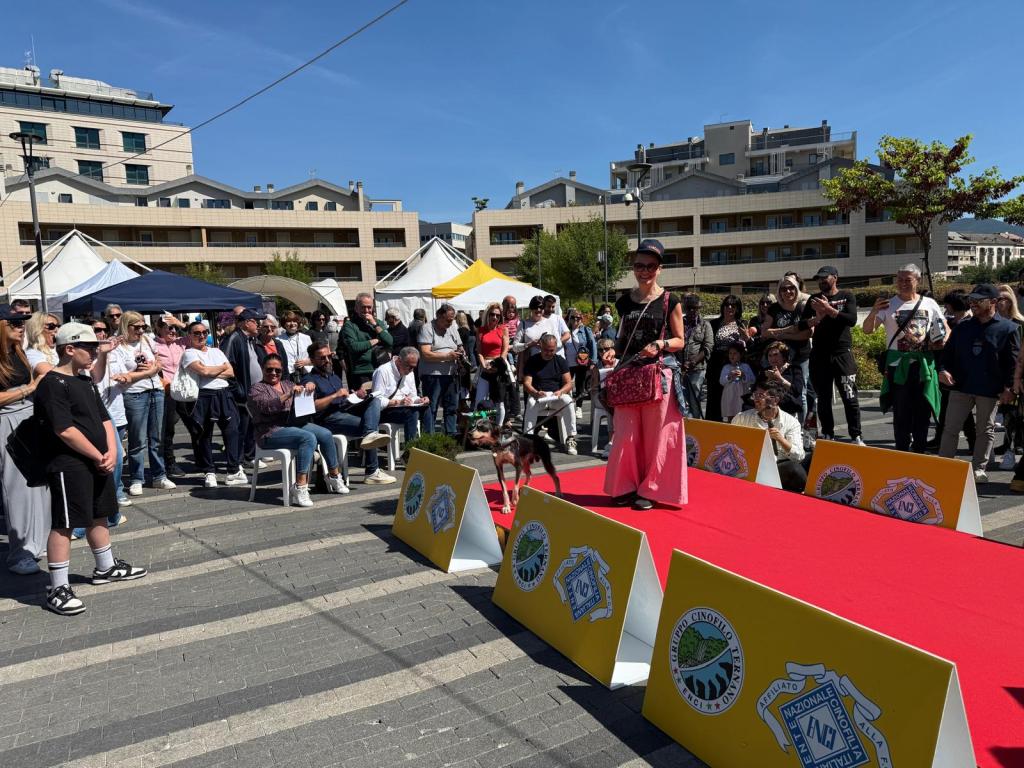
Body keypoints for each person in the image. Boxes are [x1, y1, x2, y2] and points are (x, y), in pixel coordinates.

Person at [35, 322, 147, 615]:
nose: (95, 352)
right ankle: (57, 586)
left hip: (97, 459)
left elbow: (105, 418)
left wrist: (110, 450)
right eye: (89, 347)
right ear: (69, 349)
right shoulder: (52, 383)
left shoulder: (84, 380)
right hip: (68, 463)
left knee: (99, 512)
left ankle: (105, 567)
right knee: (65, 522)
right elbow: (64, 430)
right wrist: (99, 455)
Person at [606, 239, 687, 511]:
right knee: (625, 434)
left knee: (658, 437)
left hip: (658, 375)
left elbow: (680, 340)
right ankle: (625, 486)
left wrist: (660, 345)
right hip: (629, 376)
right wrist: (611, 353)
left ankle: (651, 490)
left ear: (659, 269)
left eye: (651, 266)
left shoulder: (670, 300)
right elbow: (622, 340)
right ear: (633, 268)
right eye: (639, 265)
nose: (644, 271)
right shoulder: (623, 303)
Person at [936, 284, 1019, 484]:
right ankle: (943, 465)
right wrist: (942, 370)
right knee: (950, 428)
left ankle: (978, 469)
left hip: (989, 389)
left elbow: (1013, 362)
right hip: (961, 386)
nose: (972, 304)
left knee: (985, 429)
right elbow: (946, 355)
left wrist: (1009, 388)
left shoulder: (1009, 328)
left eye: (978, 300)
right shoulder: (962, 327)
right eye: (971, 300)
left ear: (993, 302)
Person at [864, 263, 948, 452]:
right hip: (898, 365)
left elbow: (945, 329)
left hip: (923, 365)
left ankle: (919, 451)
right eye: (899, 280)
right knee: (901, 413)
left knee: (922, 412)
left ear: (917, 281)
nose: (902, 283)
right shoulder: (888, 304)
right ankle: (902, 451)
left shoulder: (929, 303)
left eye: (907, 280)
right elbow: (868, 330)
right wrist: (874, 311)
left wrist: (941, 341)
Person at [249, 354, 347, 506]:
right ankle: (300, 486)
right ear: (262, 369)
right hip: (270, 432)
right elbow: (267, 406)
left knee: (326, 434)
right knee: (307, 438)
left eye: (277, 370)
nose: (273, 373)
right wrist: (288, 394)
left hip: (293, 424)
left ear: (282, 371)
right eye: (269, 370)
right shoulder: (257, 389)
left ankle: (334, 476)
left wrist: (309, 389)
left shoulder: (288, 383)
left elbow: (303, 405)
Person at [0, 307, 50, 575]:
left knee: (39, 484)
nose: (21, 326)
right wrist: (28, 390)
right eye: (15, 322)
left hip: (27, 416)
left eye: (22, 322)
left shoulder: (17, 351)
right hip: (5, 421)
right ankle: (19, 552)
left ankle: (38, 543)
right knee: (16, 488)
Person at [303, 342, 395, 484]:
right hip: (327, 419)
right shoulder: (309, 380)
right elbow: (312, 407)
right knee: (369, 427)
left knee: (374, 400)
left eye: (329, 356)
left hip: (344, 409)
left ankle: (370, 437)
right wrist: (334, 395)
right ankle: (372, 471)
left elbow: (343, 399)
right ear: (312, 360)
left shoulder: (333, 376)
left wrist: (356, 395)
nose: (327, 361)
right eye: (322, 358)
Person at [71, 318, 130, 537]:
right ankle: (79, 525)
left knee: (115, 461)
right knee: (90, 467)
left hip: (103, 413)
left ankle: (110, 512)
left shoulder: (93, 354)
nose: (101, 334)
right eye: (96, 330)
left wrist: (103, 353)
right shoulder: (75, 353)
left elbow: (96, 377)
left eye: (104, 330)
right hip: (81, 418)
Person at [800, 266, 864, 446]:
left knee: (849, 396)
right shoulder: (813, 300)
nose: (821, 281)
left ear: (835, 278)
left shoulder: (846, 296)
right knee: (824, 398)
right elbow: (802, 324)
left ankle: (856, 436)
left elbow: (851, 320)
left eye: (824, 277)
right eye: (818, 279)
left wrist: (829, 309)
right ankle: (828, 434)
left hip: (842, 354)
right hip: (820, 356)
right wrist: (816, 318)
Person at [112, 311, 174, 496]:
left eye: (142, 326)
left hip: (156, 391)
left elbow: (158, 363)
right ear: (125, 326)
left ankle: (159, 475)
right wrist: (148, 372)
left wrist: (153, 368)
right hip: (134, 394)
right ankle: (137, 478)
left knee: (157, 438)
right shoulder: (118, 347)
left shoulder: (147, 340)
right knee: (137, 439)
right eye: (136, 327)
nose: (140, 330)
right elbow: (123, 376)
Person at [180, 321, 247, 488]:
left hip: (224, 394)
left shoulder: (216, 351)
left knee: (231, 431)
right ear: (190, 336)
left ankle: (233, 470)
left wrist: (212, 371)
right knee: (204, 434)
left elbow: (230, 372)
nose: (201, 336)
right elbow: (203, 371)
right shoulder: (189, 353)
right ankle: (209, 472)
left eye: (204, 332)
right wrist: (220, 368)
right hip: (204, 396)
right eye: (196, 333)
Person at [732, 376, 807, 492]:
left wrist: (781, 440)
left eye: (761, 396)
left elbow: (799, 456)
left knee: (796, 470)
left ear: (775, 400)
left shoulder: (791, 422)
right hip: (749, 466)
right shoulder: (741, 418)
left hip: (777, 466)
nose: (756, 399)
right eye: (755, 395)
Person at [762, 275, 811, 421]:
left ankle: (800, 428)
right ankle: (778, 422)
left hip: (801, 356)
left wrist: (779, 333)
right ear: (779, 291)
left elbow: (807, 333)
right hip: (779, 357)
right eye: (784, 288)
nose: (788, 291)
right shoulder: (774, 308)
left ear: (796, 288)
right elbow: (764, 332)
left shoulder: (803, 307)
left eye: (791, 288)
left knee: (800, 392)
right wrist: (792, 329)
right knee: (776, 390)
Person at [931, 290, 975, 452]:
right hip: (949, 371)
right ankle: (943, 439)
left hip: (958, 373)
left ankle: (972, 441)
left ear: (950, 306)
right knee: (946, 408)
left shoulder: (965, 324)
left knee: (960, 410)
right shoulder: (954, 322)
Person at [523, 334, 578, 455]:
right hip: (539, 396)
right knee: (531, 402)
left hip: (556, 395)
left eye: (552, 350)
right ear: (541, 347)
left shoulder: (560, 360)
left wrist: (561, 391)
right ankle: (528, 439)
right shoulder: (533, 360)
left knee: (568, 400)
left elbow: (569, 383)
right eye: (546, 350)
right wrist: (535, 393)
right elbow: (526, 383)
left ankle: (571, 438)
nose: (549, 353)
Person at [223, 308, 264, 467]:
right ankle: (237, 462)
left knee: (250, 427)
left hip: (253, 393)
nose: (259, 325)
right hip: (242, 395)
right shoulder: (234, 339)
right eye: (256, 322)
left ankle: (249, 456)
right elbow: (227, 367)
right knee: (240, 428)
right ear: (247, 323)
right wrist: (238, 391)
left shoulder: (250, 339)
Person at [152, 316, 190, 478]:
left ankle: (203, 460)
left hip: (184, 390)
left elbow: (195, 333)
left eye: (174, 328)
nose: (173, 331)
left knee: (196, 426)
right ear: (159, 329)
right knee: (168, 430)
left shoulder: (180, 342)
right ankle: (170, 463)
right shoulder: (153, 344)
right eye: (168, 327)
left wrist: (179, 323)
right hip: (167, 392)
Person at [418, 303, 464, 436]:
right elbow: (425, 354)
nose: (450, 323)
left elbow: (459, 345)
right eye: (448, 320)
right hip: (433, 375)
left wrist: (461, 351)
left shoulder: (452, 328)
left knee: (452, 407)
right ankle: (429, 437)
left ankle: (451, 434)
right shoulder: (427, 328)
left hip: (451, 374)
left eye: (452, 320)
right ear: (439, 316)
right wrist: (447, 356)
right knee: (431, 407)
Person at [994, 284, 1024, 470]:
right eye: (998, 298)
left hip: (1015, 372)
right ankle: (1007, 441)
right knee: (1005, 412)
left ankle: (1017, 442)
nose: (1001, 302)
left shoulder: (1019, 322)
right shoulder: (992, 322)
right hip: (998, 371)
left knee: (1017, 412)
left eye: (1005, 298)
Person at [371, 346, 427, 444]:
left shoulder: (410, 372)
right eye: (409, 366)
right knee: (411, 413)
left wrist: (420, 400)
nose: (411, 370)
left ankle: (428, 447)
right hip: (386, 411)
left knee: (427, 409)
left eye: (414, 367)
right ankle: (410, 451)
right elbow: (376, 400)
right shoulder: (383, 371)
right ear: (399, 361)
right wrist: (397, 402)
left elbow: (413, 395)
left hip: (404, 408)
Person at [705, 296, 748, 422]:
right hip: (716, 364)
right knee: (714, 397)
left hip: (733, 364)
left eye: (733, 306)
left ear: (738, 309)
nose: (729, 308)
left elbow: (745, 345)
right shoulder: (714, 324)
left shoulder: (742, 323)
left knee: (733, 398)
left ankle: (734, 425)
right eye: (727, 305)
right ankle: (713, 426)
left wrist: (746, 337)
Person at [343, 293, 393, 389]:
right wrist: (376, 340)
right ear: (356, 308)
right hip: (362, 371)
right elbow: (354, 347)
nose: (366, 310)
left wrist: (374, 324)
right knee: (365, 402)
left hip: (381, 369)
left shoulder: (378, 322)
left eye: (369, 307)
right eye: (363, 307)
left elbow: (390, 341)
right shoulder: (350, 325)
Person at [474, 303, 510, 425]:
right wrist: (484, 365)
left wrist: (497, 365)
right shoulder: (480, 330)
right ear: (487, 315)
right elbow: (479, 352)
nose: (495, 317)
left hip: (498, 367)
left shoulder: (503, 329)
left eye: (498, 315)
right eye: (492, 314)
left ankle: (498, 429)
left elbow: (505, 350)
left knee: (499, 402)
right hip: (485, 367)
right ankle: (480, 424)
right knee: (479, 400)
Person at [679, 294, 713, 419]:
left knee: (695, 402)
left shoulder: (705, 325)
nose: (692, 311)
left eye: (695, 308)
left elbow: (708, 348)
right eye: (689, 308)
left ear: (699, 308)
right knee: (681, 402)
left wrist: (692, 362)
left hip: (697, 370)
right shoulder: (679, 323)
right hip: (680, 369)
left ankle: (696, 431)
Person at [564, 309, 598, 416]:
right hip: (567, 362)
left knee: (580, 385)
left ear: (581, 319)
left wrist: (593, 361)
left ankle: (579, 407)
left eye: (578, 318)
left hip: (581, 362)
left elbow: (593, 345)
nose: (575, 320)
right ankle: (568, 406)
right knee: (566, 385)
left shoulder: (585, 330)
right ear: (569, 318)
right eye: (573, 317)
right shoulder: (565, 330)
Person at [516, 295, 570, 360]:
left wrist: (548, 346)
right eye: (535, 307)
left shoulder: (550, 322)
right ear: (531, 308)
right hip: (531, 363)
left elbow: (558, 342)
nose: (538, 309)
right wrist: (529, 344)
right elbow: (515, 347)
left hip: (550, 361)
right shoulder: (523, 324)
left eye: (541, 307)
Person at [589, 339, 617, 456]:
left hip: (616, 395)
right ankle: (611, 441)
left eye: (607, 348)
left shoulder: (620, 363)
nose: (603, 352)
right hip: (600, 396)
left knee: (613, 403)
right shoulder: (596, 366)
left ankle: (613, 441)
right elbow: (593, 389)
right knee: (611, 404)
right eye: (600, 350)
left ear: (613, 349)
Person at [763, 341, 805, 418]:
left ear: (784, 356)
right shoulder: (765, 371)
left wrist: (780, 378)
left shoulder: (794, 369)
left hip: (789, 409)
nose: (772, 358)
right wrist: (769, 379)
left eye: (776, 355)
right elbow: (758, 391)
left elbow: (797, 390)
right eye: (770, 356)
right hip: (769, 410)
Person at [719, 342, 755, 422]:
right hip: (729, 396)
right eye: (730, 353)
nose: (732, 355)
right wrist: (729, 376)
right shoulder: (726, 367)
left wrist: (743, 375)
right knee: (730, 414)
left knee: (742, 415)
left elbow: (752, 380)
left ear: (741, 355)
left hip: (741, 395)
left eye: (735, 353)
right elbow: (721, 381)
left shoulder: (745, 366)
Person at [278, 311, 314, 380]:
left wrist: (307, 362)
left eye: (294, 321)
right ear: (284, 324)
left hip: (306, 374)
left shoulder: (306, 338)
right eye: (288, 321)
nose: (292, 324)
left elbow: (314, 357)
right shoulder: (278, 340)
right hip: (288, 376)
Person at [25, 311, 60, 376]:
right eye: (51, 326)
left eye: (58, 326)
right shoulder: (32, 353)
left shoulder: (59, 348)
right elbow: (54, 375)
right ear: (37, 328)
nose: (57, 330)